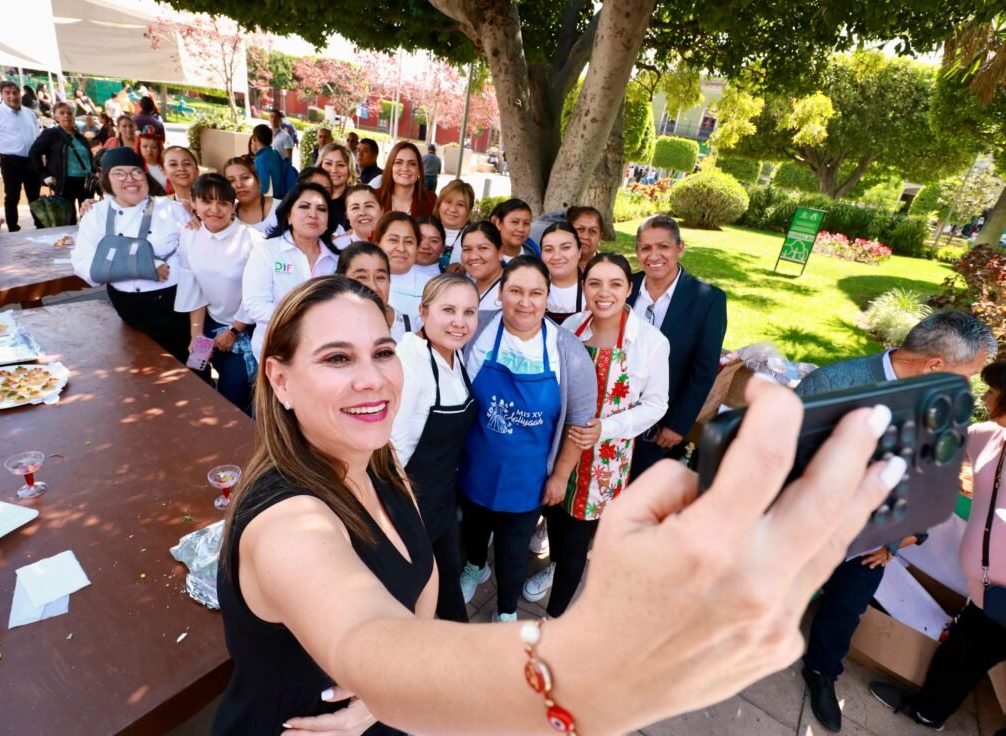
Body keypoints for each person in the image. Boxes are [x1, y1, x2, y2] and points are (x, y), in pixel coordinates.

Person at [211, 272, 914, 736]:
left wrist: (383, 692)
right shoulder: (288, 521)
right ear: (279, 377)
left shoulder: (378, 460)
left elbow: (416, 589)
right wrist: (587, 667)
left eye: (382, 352)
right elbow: (364, 637)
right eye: (336, 359)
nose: (372, 379)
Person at [796, 310, 997, 733]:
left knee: (844, 612)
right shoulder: (834, 384)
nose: (973, 388)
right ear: (936, 365)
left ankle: (820, 672)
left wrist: (910, 532)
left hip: (873, 542)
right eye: (971, 374)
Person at [522, 252, 669, 613]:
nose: (604, 293)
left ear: (629, 289)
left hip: (605, 458)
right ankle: (552, 562)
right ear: (584, 287)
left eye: (615, 284)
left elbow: (656, 405)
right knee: (553, 516)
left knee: (577, 539)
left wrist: (606, 428)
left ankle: (553, 617)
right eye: (595, 283)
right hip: (557, 446)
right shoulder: (571, 327)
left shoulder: (650, 342)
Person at [458, 256, 599, 622]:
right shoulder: (477, 330)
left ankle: (505, 611)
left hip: (529, 477)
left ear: (547, 298)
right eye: (516, 291)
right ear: (501, 293)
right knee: (474, 529)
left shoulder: (568, 351)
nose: (525, 302)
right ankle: (475, 567)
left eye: (536, 293)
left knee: (514, 547)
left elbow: (580, 423)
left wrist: (560, 476)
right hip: (474, 464)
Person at [868, 362, 1006, 732]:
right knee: (962, 654)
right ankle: (929, 712)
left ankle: (930, 710)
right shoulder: (989, 436)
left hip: (1001, 594)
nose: (986, 396)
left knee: (965, 654)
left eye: (993, 391)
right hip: (985, 592)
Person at [391, 274, 479, 622]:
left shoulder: (453, 356)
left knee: (447, 577)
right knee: (414, 590)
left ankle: (458, 642)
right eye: (448, 310)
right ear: (422, 312)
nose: (460, 322)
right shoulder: (410, 365)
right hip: (412, 503)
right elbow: (389, 452)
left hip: (442, 496)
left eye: (469, 312)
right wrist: (408, 516)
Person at [627, 215, 727, 477]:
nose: (654, 255)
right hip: (612, 414)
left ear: (679, 248)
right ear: (637, 251)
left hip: (659, 427)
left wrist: (677, 424)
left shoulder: (708, 300)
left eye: (663, 247)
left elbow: (703, 370)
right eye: (645, 248)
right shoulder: (625, 286)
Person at [70, 147, 190, 363]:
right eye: (119, 173)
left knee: (184, 368)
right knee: (138, 369)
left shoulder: (172, 210)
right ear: (106, 179)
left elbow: (195, 255)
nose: (130, 179)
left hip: (174, 308)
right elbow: (82, 261)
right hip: (126, 311)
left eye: (136, 172)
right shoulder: (95, 215)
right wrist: (141, 264)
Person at [175, 174, 262, 413]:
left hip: (245, 330)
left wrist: (234, 330)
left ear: (232, 205)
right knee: (194, 379)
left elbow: (257, 293)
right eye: (206, 201)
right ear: (193, 203)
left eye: (223, 202)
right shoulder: (189, 235)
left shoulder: (252, 240)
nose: (215, 209)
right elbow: (193, 286)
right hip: (210, 324)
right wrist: (197, 334)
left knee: (232, 396)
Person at [242, 182, 339, 361]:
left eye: (321, 209)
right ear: (288, 215)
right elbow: (255, 305)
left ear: (327, 221)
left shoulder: (336, 260)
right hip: (277, 351)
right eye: (304, 206)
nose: (313, 214)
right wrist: (300, 322)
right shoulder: (267, 251)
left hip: (324, 351)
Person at [0, 81, 41, 232]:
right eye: (7, 93)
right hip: (10, 160)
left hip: (31, 160)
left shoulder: (29, 113)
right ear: (2, 94)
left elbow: (36, 135)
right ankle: (13, 228)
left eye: (15, 93)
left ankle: (40, 225)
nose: (12, 96)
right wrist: (2, 148)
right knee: (12, 196)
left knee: (35, 195)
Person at [29, 101, 95, 222]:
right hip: (65, 182)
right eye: (62, 113)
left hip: (85, 183)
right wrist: (44, 175)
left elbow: (88, 159)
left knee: (89, 218)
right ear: (55, 117)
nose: (66, 115)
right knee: (67, 219)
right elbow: (34, 153)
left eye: (69, 113)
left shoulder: (81, 137)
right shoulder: (51, 134)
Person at [337, 241, 416, 341]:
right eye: (361, 277)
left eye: (380, 277)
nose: (374, 287)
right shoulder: (329, 327)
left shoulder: (408, 328)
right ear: (341, 280)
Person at [375, 211, 431, 318]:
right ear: (378, 244)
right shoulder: (362, 283)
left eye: (408, 242)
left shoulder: (432, 287)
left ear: (417, 247)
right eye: (393, 240)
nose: (401, 248)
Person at [540, 223, 585, 324]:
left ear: (579, 251)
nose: (557, 256)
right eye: (548, 250)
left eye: (565, 248)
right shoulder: (533, 288)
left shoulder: (593, 290)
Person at [376, 140, 436, 216]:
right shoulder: (374, 198)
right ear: (390, 167)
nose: (405, 168)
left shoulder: (431, 201)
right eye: (398, 162)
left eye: (412, 164)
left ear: (419, 170)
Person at [223, 155, 279, 236]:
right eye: (231, 180)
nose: (239, 185)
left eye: (245, 177)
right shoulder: (226, 216)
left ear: (258, 180)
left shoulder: (282, 209)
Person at [460, 221, 505, 311]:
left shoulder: (513, 290)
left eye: (483, 248)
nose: (473, 256)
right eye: (467, 249)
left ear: (500, 252)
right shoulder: (461, 289)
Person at [435, 179, 474, 268]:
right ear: (439, 204)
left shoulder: (474, 239)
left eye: (460, 205)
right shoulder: (425, 231)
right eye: (448, 202)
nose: (453, 209)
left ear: (469, 210)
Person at [318, 142, 355, 230]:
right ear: (320, 165)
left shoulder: (356, 199)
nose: (333, 170)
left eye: (341, 165)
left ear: (350, 169)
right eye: (328, 163)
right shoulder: (307, 194)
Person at [334, 184, 381, 248]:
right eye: (355, 208)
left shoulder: (395, 246)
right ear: (347, 215)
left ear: (382, 210)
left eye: (369, 206)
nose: (362, 212)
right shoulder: (335, 248)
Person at [250, 124, 289, 198]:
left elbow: (264, 189)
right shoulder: (276, 154)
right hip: (282, 196)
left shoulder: (260, 159)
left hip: (271, 201)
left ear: (254, 138)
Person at [566, 206, 604, 270]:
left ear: (600, 237)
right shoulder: (557, 263)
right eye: (580, 229)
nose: (585, 236)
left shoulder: (608, 267)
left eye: (592, 231)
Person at [163, 146, 199, 210]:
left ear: (197, 170)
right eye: (173, 164)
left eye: (187, 164)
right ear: (163, 171)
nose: (181, 168)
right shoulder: (162, 207)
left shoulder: (215, 201)